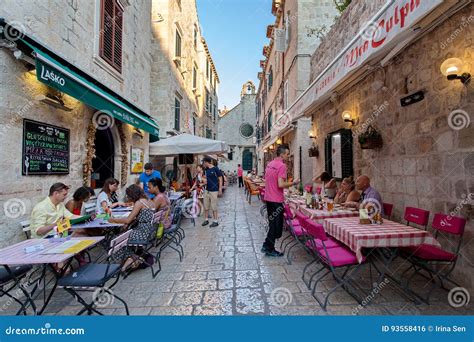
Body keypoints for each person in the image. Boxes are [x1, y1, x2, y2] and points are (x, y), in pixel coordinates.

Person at [109, 185, 157, 272]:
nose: (127, 197)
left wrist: (113, 220)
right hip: (151, 230)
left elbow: (128, 220)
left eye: (128, 195)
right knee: (123, 234)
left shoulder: (139, 203)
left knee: (116, 239)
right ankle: (132, 257)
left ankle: (131, 258)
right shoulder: (148, 200)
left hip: (143, 233)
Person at [262, 145, 299, 257]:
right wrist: (294, 183)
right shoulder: (282, 166)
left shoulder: (269, 164)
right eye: (287, 154)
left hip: (268, 199)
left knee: (273, 224)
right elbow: (281, 184)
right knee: (275, 226)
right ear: (282, 154)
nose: (288, 156)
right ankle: (268, 248)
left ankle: (267, 245)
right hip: (276, 200)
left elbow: (267, 180)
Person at [201, 156, 223, 228]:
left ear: (206, 162)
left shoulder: (215, 168)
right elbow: (204, 178)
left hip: (214, 190)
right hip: (207, 190)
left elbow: (220, 178)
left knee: (214, 206)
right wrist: (203, 181)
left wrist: (220, 189)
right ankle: (206, 219)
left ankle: (215, 221)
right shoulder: (206, 170)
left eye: (203, 163)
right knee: (206, 206)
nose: (203, 165)